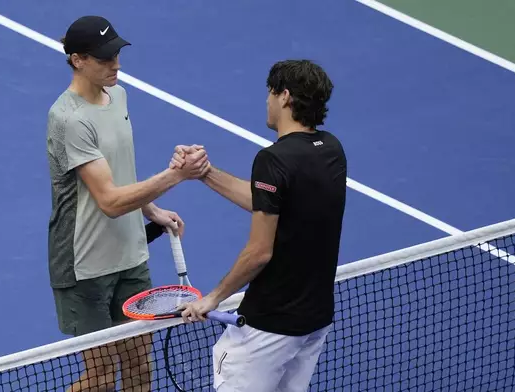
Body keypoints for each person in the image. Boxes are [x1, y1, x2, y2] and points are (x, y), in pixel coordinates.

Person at [46, 15, 209, 391]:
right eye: (104, 58)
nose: (116, 64)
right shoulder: (69, 119)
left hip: (130, 254)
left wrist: (151, 210)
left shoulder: (118, 95)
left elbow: (117, 170)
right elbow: (110, 201)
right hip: (84, 265)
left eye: (116, 54)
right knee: (100, 379)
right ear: (78, 60)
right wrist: (176, 176)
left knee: (139, 368)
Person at [173, 60, 347, 391]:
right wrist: (205, 173)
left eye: (269, 93)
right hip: (313, 320)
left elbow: (259, 252)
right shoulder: (331, 150)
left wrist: (213, 298)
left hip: (268, 325)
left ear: (284, 96)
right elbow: (267, 200)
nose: (266, 102)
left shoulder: (273, 159)